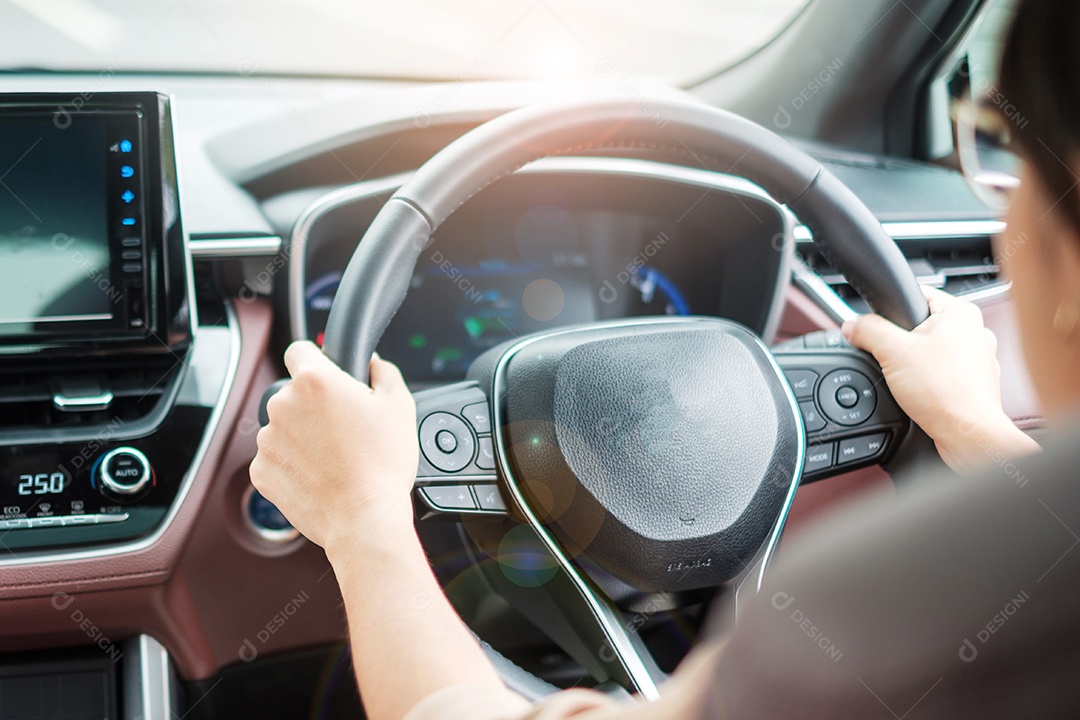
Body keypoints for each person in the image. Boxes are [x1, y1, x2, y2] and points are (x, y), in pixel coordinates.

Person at [250, 1, 1080, 717]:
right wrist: (973, 428)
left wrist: (364, 519)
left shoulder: (838, 633)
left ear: (1065, 265)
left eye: (1000, 150)